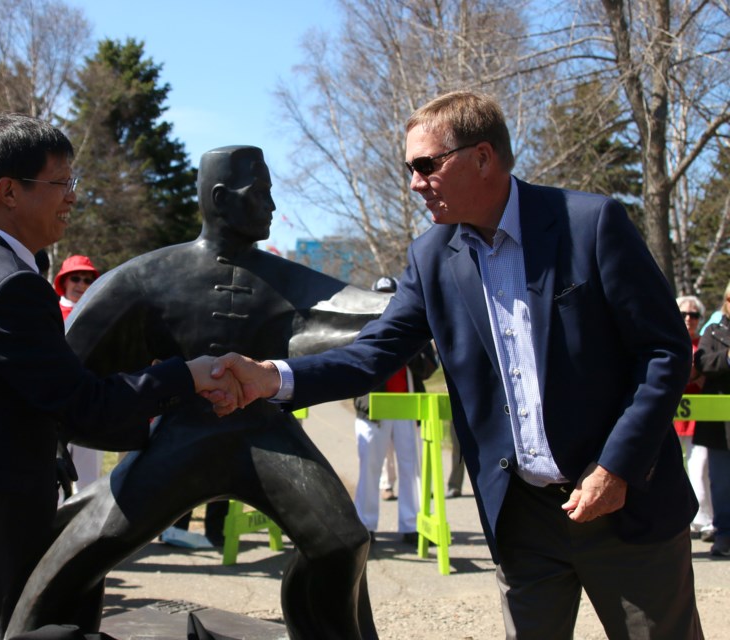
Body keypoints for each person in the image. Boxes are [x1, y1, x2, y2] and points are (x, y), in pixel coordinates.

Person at [213, 91, 701, 639]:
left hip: (626, 504)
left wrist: (616, 468)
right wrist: (272, 378)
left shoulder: (591, 224)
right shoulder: (430, 257)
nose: (415, 182)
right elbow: (373, 353)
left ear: (483, 157)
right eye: (410, 169)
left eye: (426, 165)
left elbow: (664, 351)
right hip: (523, 521)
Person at [0, 113, 238, 640]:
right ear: (9, 191)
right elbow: (79, 404)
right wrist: (186, 377)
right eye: (61, 182)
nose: (73, 196)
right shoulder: (5, 284)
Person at [4, 145, 389, 640]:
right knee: (83, 546)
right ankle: (25, 632)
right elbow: (74, 355)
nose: (271, 206)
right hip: (183, 435)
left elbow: (350, 310)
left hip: (263, 432)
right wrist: (59, 432)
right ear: (222, 199)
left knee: (343, 542)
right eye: (261, 194)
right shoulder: (151, 275)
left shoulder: (284, 277)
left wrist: (408, 302)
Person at [352, 276, 437, 545]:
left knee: (411, 468)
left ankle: (411, 525)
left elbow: (429, 367)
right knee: (370, 468)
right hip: (372, 409)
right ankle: (366, 525)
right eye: (381, 296)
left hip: (407, 407)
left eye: (390, 296)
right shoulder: (361, 327)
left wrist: (406, 348)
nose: (385, 301)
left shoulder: (412, 326)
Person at [53, 255, 104, 496]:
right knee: (53, 482)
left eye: (87, 279)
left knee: (89, 483)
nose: (81, 284)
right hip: (54, 410)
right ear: (64, 281)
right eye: (76, 278)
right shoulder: (49, 310)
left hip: (89, 408)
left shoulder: (101, 315)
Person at [692, 282, 730, 558]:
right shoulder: (713, 331)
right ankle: (724, 533)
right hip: (720, 426)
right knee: (721, 481)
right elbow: (703, 362)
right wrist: (728, 358)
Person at [675, 295, 714, 541]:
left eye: (694, 314)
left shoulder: (706, 343)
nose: (689, 319)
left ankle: (706, 520)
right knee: (676, 470)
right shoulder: (669, 338)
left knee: (701, 469)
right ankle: (681, 518)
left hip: (701, 417)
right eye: (683, 314)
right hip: (671, 418)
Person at [53, 254, 99, 322]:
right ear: (64, 282)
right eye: (75, 279)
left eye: (87, 281)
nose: (81, 285)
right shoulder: (51, 313)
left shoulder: (98, 314)